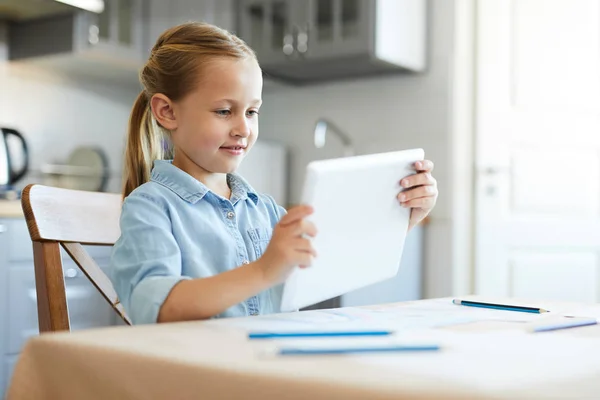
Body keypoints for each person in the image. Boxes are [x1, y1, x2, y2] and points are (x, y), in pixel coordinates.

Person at [110, 22, 438, 325]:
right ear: (167, 111)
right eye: (224, 111)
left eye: (252, 111)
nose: (243, 128)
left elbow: (332, 268)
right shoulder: (151, 207)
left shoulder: (265, 211)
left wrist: (402, 218)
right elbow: (157, 309)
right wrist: (265, 270)